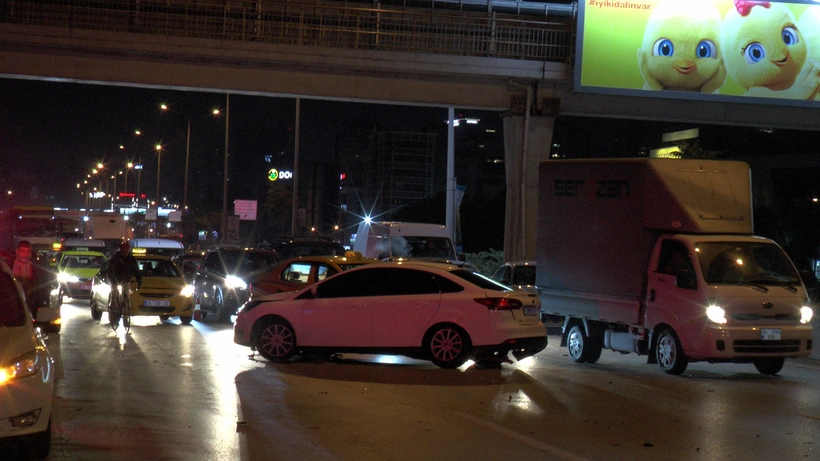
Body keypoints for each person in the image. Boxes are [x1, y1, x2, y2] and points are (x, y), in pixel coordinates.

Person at [12, 240, 54, 316]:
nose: (26, 254)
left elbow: (44, 286)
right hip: (13, 308)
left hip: (33, 307)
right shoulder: (8, 266)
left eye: (28, 251)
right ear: (17, 252)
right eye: (23, 251)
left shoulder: (38, 267)